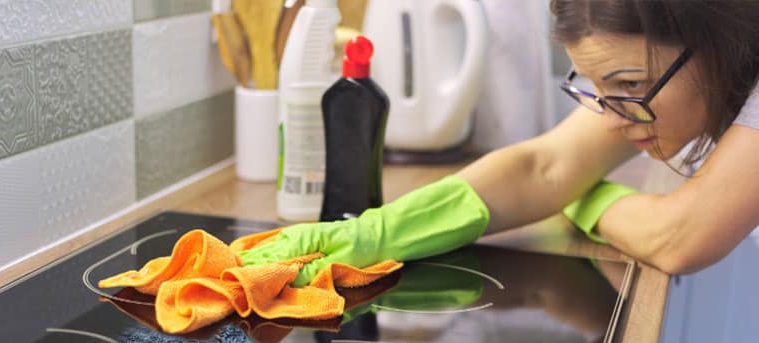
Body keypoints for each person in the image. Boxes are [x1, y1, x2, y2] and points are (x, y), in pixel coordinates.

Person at [239, 0, 759, 284]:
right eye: (600, 90)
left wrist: (586, 195)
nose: (618, 116)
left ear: (713, 43)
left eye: (631, 85)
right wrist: (378, 233)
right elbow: (545, 168)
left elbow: (678, 238)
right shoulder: (661, 82)